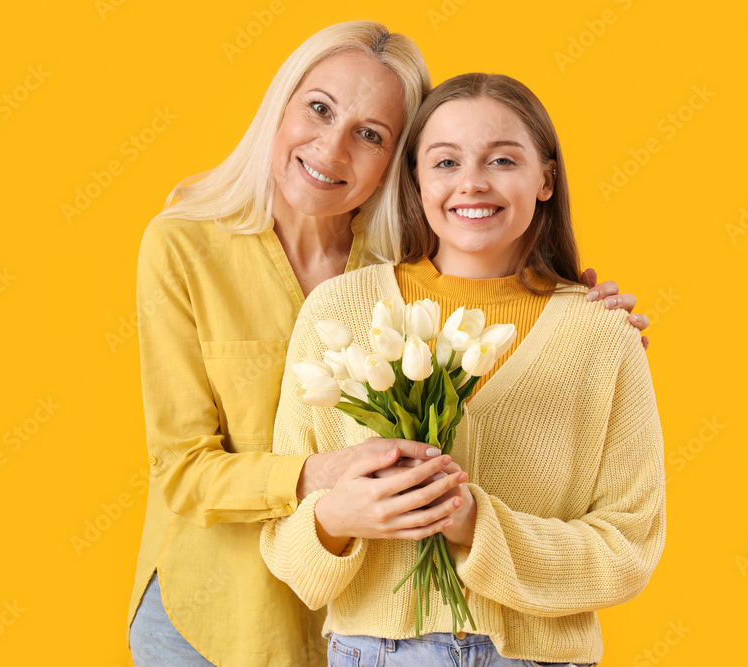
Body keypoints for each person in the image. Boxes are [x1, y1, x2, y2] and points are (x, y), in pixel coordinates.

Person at [128, 22, 648, 667]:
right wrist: (327, 484)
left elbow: (495, 287)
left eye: (369, 134)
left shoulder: (404, 266)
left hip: (366, 620)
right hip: (221, 607)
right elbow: (180, 466)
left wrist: (581, 327)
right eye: (318, 108)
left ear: (395, 164)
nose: (331, 146)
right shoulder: (184, 246)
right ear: (280, 106)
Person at [260, 73, 665, 667]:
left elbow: (630, 550)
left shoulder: (601, 335)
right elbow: (288, 552)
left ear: (545, 178)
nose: (472, 182)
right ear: (416, 179)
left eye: (502, 159)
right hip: (376, 652)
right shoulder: (341, 313)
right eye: (445, 162)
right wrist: (335, 518)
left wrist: (480, 528)